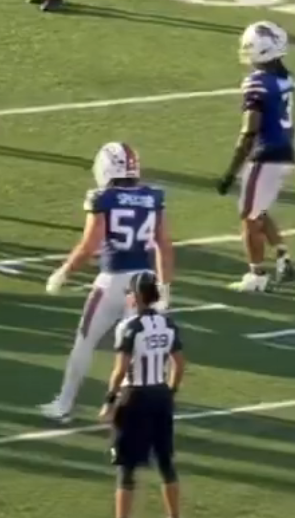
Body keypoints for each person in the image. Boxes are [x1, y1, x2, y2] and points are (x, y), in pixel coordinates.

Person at [41, 142, 173, 423]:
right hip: (146, 282)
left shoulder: (103, 198)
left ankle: (64, 404)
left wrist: (64, 272)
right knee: (139, 350)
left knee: (84, 342)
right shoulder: (153, 197)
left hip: (112, 282)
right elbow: (163, 243)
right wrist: (165, 285)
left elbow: (90, 245)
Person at [216, 20, 295, 293]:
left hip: (266, 155)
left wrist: (231, 170)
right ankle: (283, 255)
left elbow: (249, 131)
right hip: (285, 152)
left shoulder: (256, 82)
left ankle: (256, 275)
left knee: (249, 217)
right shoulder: (286, 77)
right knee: (258, 210)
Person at [97, 273, 184, 518]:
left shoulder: (129, 327)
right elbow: (179, 363)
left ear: (136, 296)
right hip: (160, 395)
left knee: (126, 468)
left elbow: (121, 370)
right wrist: (170, 391)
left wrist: (109, 401)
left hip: (134, 397)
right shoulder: (168, 324)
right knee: (166, 463)